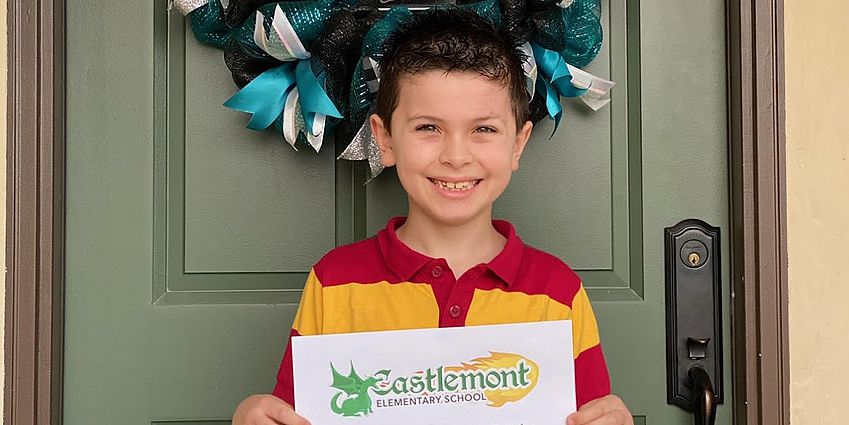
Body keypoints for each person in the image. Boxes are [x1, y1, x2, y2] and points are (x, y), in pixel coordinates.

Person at [233, 8, 633, 425]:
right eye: (428, 128)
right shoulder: (334, 282)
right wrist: (253, 417)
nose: (455, 157)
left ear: (518, 143)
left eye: (484, 129)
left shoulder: (558, 293)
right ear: (384, 139)